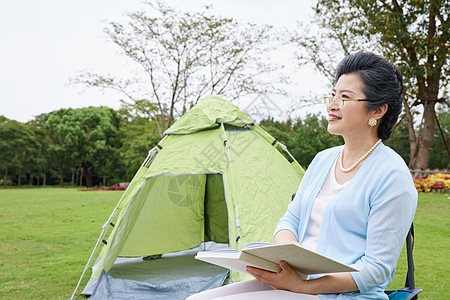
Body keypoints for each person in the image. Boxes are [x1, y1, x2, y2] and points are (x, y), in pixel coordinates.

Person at [187, 52, 418, 300]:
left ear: (378, 110)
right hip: (292, 281)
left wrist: (303, 287)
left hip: (340, 295)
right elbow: (290, 220)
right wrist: (291, 251)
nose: (332, 104)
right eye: (333, 94)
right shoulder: (323, 160)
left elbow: (376, 270)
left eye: (345, 97)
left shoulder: (392, 176)